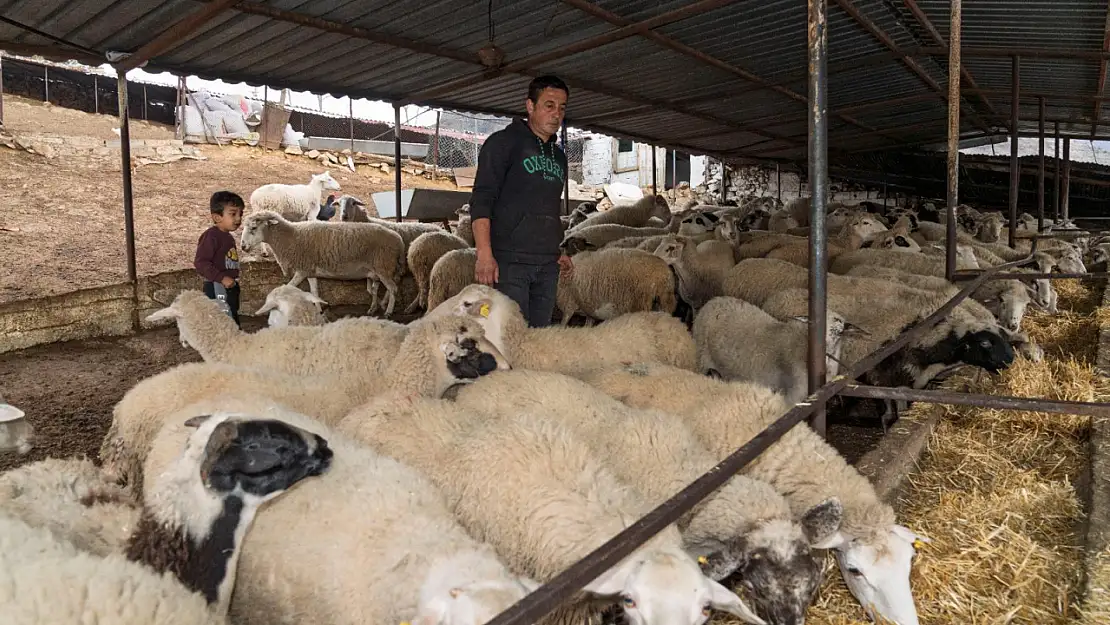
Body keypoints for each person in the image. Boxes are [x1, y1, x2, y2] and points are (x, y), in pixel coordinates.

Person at [468, 75, 575, 327]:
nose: (556, 114)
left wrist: (555, 249)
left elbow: (546, 206)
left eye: (562, 108)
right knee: (509, 334)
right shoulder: (503, 144)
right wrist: (484, 254)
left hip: (547, 265)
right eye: (549, 105)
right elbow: (482, 199)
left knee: (538, 337)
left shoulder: (559, 157)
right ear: (530, 106)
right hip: (510, 263)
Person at [194, 190, 244, 327]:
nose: (238, 218)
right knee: (222, 318)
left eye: (241, 214)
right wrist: (221, 278)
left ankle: (235, 344)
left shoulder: (227, 237)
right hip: (217, 286)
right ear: (217, 217)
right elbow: (201, 262)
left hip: (229, 285)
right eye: (233, 214)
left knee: (231, 315)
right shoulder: (211, 237)